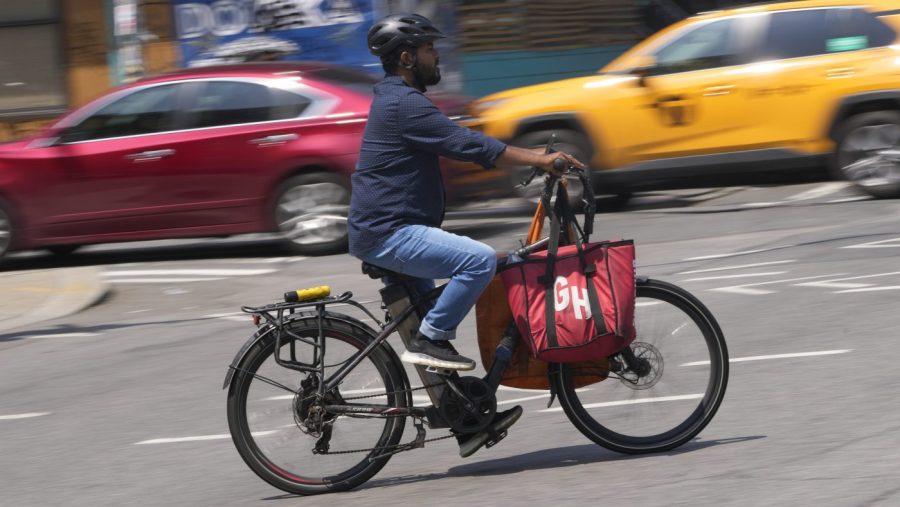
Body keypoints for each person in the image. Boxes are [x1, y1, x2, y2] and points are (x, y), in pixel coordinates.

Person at [348, 13, 585, 457]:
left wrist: (528, 160)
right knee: (475, 261)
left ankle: (467, 423)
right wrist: (538, 156)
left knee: (464, 284)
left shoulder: (400, 99)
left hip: (393, 229)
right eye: (428, 49)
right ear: (406, 57)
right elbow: (468, 144)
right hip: (388, 233)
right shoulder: (404, 104)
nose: (436, 55)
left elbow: (467, 147)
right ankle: (432, 338)